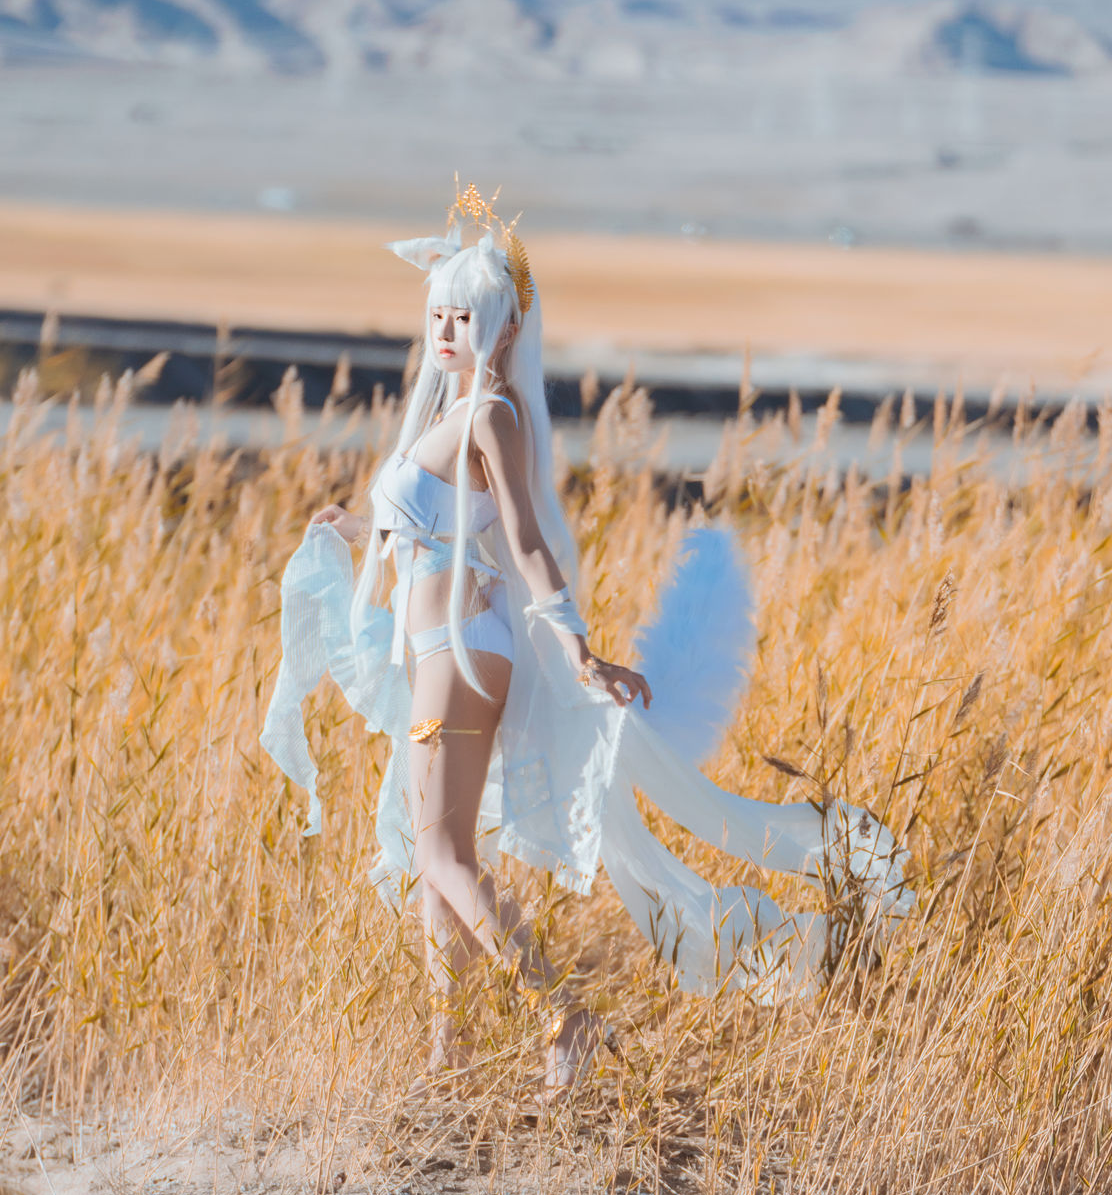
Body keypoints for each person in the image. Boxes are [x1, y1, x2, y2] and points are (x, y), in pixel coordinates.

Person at [261, 187, 911, 1090]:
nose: (446, 330)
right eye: (438, 315)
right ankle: (446, 1060)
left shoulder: (491, 415)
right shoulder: (444, 419)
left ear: (498, 329)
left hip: (461, 648)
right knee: (432, 857)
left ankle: (562, 1013)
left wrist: (576, 648)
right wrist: (342, 531)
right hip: (436, 651)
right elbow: (414, 529)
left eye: (464, 316)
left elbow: (524, 541)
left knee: (444, 853)